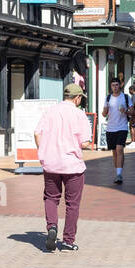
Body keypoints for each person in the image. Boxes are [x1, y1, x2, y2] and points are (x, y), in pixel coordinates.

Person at [34, 82, 93, 252]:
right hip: (72, 165)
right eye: (81, 97)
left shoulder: (50, 111)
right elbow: (84, 142)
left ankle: (52, 227)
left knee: (51, 198)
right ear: (77, 98)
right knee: (72, 203)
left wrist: (43, 151)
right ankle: (67, 241)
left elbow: (37, 133)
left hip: (51, 163)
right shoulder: (79, 115)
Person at [101, 76, 131, 185]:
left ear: (120, 85)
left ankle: (119, 174)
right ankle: (117, 172)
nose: (115, 87)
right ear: (111, 86)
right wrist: (104, 112)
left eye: (117, 85)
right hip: (111, 128)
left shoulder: (126, 97)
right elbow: (104, 113)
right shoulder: (108, 98)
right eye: (113, 85)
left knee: (119, 149)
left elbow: (132, 112)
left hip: (122, 127)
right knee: (114, 151)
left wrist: (126, 111)